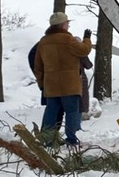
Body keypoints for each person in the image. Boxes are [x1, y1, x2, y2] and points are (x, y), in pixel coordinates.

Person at [33, 11, 92, 147]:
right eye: (67, 23)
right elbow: (83, 50)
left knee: (51, 111)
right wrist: (87, 39)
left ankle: (46, 139)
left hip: (51, 85)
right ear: (62, 25)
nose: (68, 26)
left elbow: (38, 66)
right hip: (69, 85)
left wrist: (42, 84)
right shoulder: (68, 40)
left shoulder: (43, 42)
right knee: (71, 112)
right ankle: (71, 139)